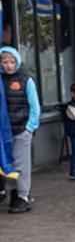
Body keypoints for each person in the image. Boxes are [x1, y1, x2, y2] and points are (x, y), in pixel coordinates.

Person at [1, 44, 40, 212]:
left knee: (21, 165)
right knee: (7, 165)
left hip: (21, 130)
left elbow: (34, 106)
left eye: (11, 61)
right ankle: (14, 192)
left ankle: (23, 196)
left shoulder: (26, 80)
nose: (8, 65)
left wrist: (29, 128)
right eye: (4, 62)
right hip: (4, 132)